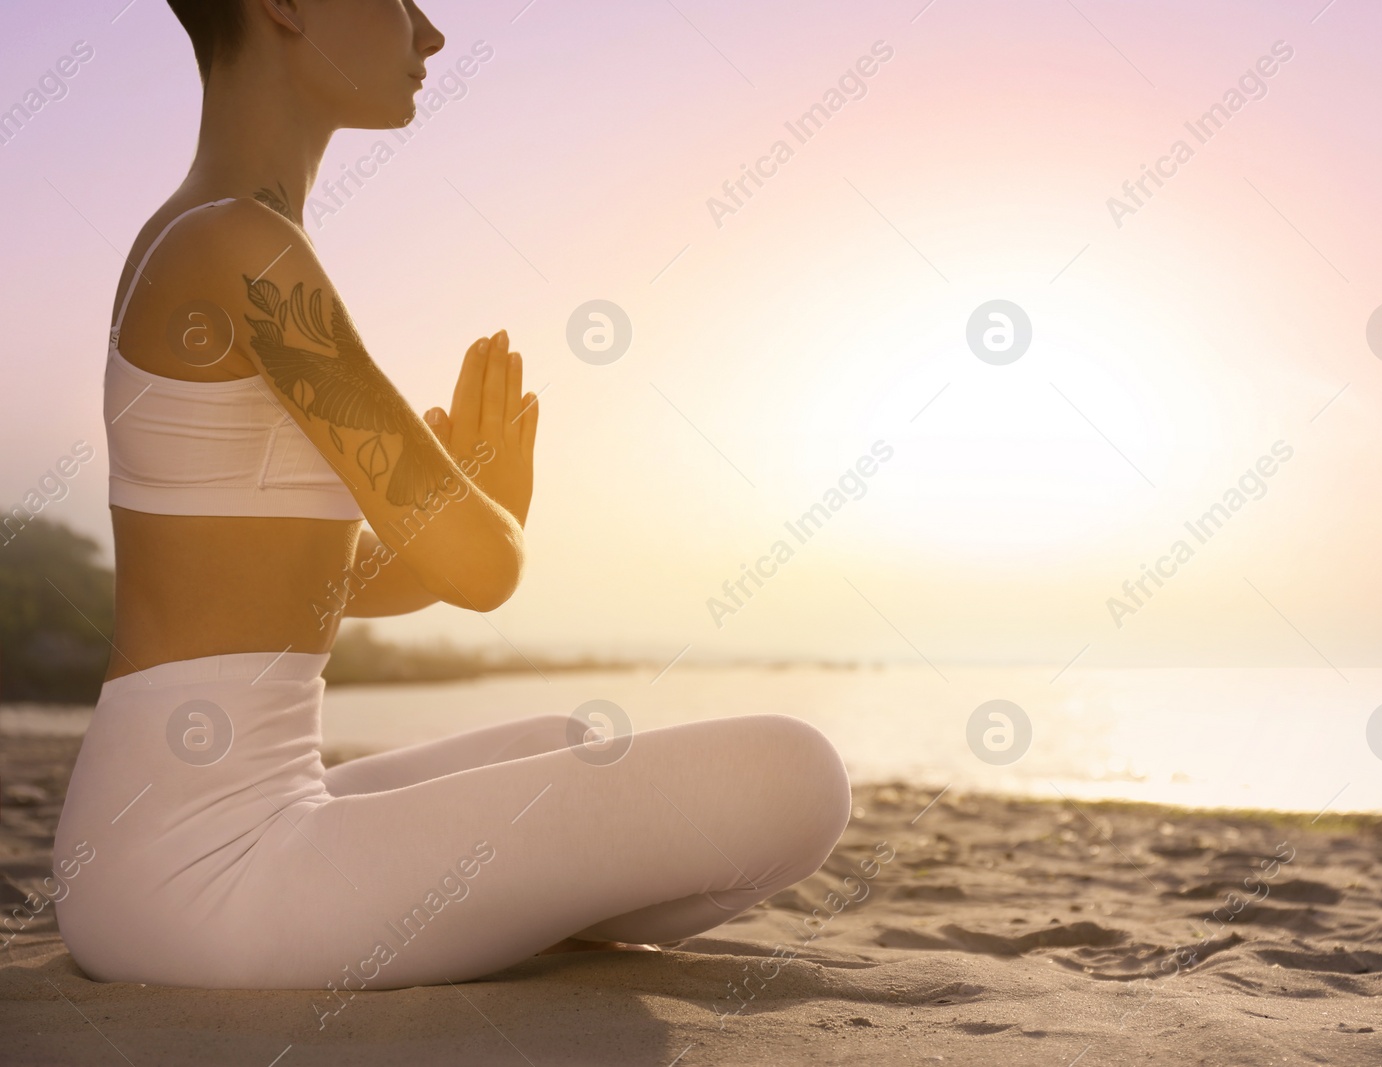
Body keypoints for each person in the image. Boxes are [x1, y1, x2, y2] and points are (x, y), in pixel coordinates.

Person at [53, 0, 851, 990]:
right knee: (799, 776)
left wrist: (441, 524)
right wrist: (488, 501)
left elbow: (298, 589)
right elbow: (483, 569)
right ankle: (506, 924)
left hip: (152, 849)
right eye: (397, 0)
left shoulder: (178, 235)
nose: (428, 34)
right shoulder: (241, 249)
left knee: (567, 745)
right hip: (209, 882)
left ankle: (492, 917)